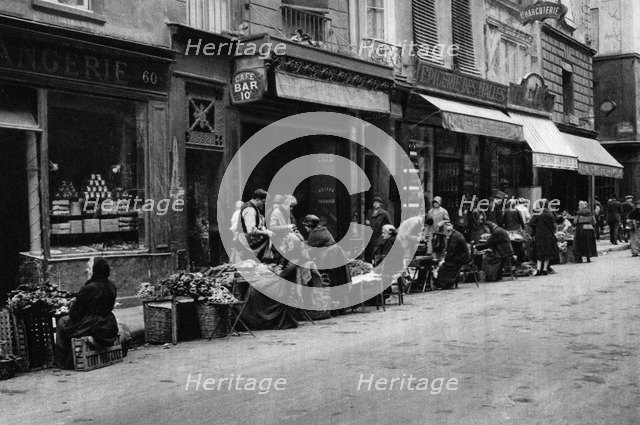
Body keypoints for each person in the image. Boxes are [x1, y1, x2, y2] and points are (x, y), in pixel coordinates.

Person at [54, 257, 119, 370]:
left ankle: (65, 361)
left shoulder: (89, 288)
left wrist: (70, 308)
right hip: (109, 324)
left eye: (89, 268)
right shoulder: (111, 285)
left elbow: (75, 314)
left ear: (96, 270)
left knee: (61, 321)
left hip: (94, 325)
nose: (86, 270)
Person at [238, 189, 274, 261]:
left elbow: (259, 223)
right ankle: (264, 260)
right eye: (263, 202)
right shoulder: (250, 209)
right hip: (245, 239)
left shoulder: (254, 208)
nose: (264, 205)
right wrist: (266, 232)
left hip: (248, 237)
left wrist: (263, 229)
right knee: (271, 238)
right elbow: (251, 230)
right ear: (257, 200)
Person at [434, 221, 470, 289]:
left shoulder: (454, 236)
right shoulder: (454, 234)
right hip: (460, 256)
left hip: (461, 258)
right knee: (444, 264)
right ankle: (443, 283)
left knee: (444, 266)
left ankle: (443, 284)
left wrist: (444, 260)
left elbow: (450, 250)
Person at [529, 199, 558, 276]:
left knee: (539, 251)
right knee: (547, 252)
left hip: (539, 234)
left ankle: (538, 269)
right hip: (549, 235)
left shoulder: (538, 212)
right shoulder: (550, 213)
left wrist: (536, 227)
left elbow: (530, 223)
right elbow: (554, 224)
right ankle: (545, 269)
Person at [364, 197, 392, 262]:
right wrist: (367, 222)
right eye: (374, 203)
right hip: (371, 235)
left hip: (380, 235)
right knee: (371, 252)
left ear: (380, 204)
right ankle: (373, 264)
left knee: (378, 251)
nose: (375, 204)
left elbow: (390, 224)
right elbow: (367, 221)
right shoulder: (370, 212)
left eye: (377, 203)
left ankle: (378, 265)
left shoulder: (384, 213)